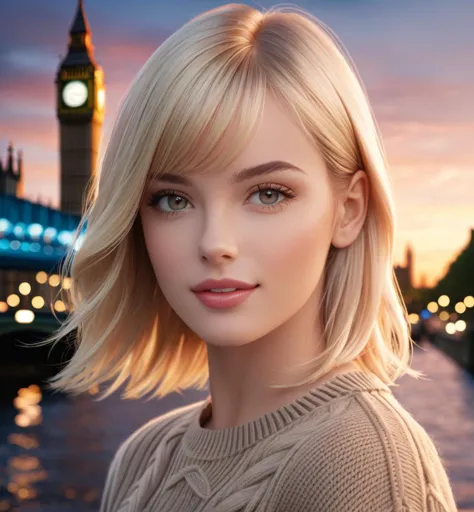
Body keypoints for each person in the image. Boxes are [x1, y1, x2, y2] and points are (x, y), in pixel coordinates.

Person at [40, 3, 457, 511]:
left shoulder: (363, 460)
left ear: (349, 210)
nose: (216, 242)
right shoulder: (140, 458)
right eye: (174, 199)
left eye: (268, 193)